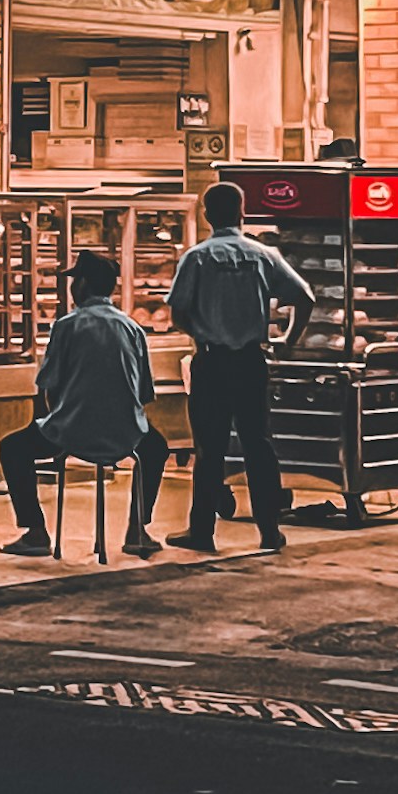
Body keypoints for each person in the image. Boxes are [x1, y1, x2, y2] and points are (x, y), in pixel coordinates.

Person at [168, 179, 313, 551]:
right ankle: (269, 529)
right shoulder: (263, 255)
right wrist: (287, 341)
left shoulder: (196, 257)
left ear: (206, 215)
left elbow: (178, 312)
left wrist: (199, 333)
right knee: (259, 446)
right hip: (251, 361)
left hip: (212, 362)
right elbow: (305, 297)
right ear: (242, 212)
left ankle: (202, 531)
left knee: (209, 450)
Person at [0, 251, 171, 558]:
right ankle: (137, 529)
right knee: (156, 448)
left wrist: (53, 419)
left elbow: (48, 387)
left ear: (84, 285)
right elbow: (144, 394)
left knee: (12, 448)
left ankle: (35, 531)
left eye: (75, 280)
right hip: (126, 435)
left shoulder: (66, 326)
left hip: (71, 433)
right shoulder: (133, 329)